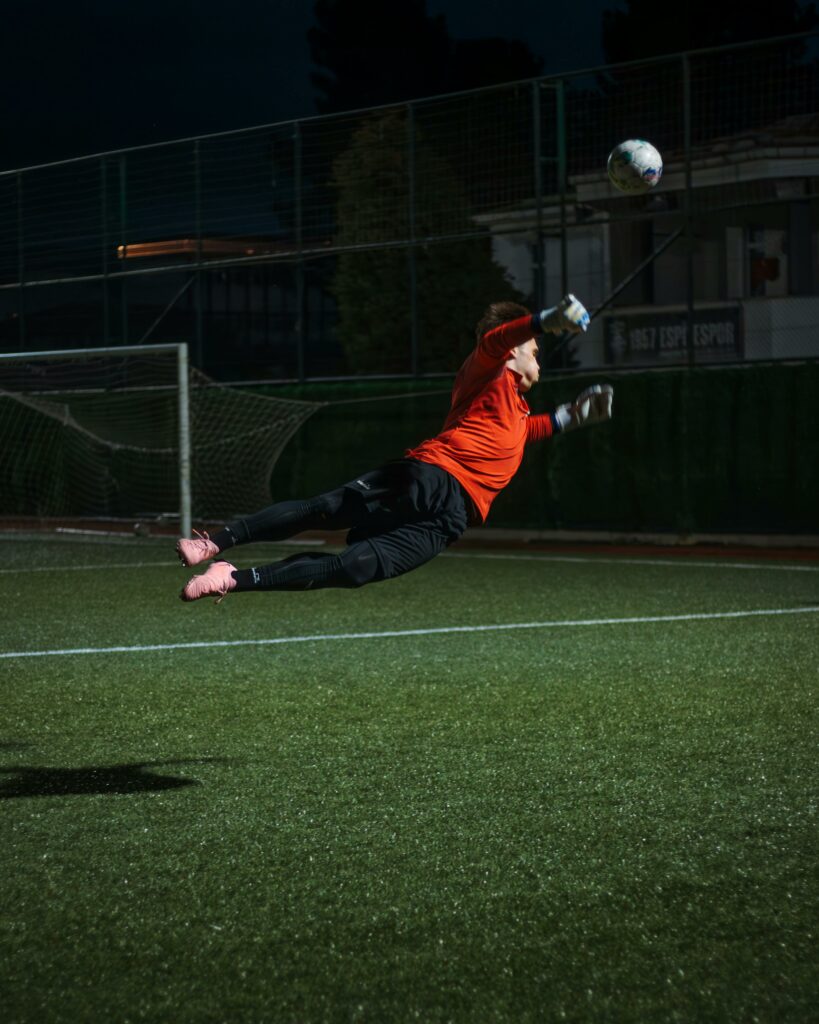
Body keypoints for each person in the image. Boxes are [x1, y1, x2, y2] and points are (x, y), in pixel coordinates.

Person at [178, 295, 613, 603]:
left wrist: (574, 416)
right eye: (534, 351)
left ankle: (233, 579)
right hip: (430, 475)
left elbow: (527, 430)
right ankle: (215, 543)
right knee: (326, 509)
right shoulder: (486, 372)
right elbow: (493, 342)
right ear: (514, 349)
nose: (538, 359)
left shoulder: (516, 411)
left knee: (355, 569)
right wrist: (547, 319)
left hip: (453, 518)